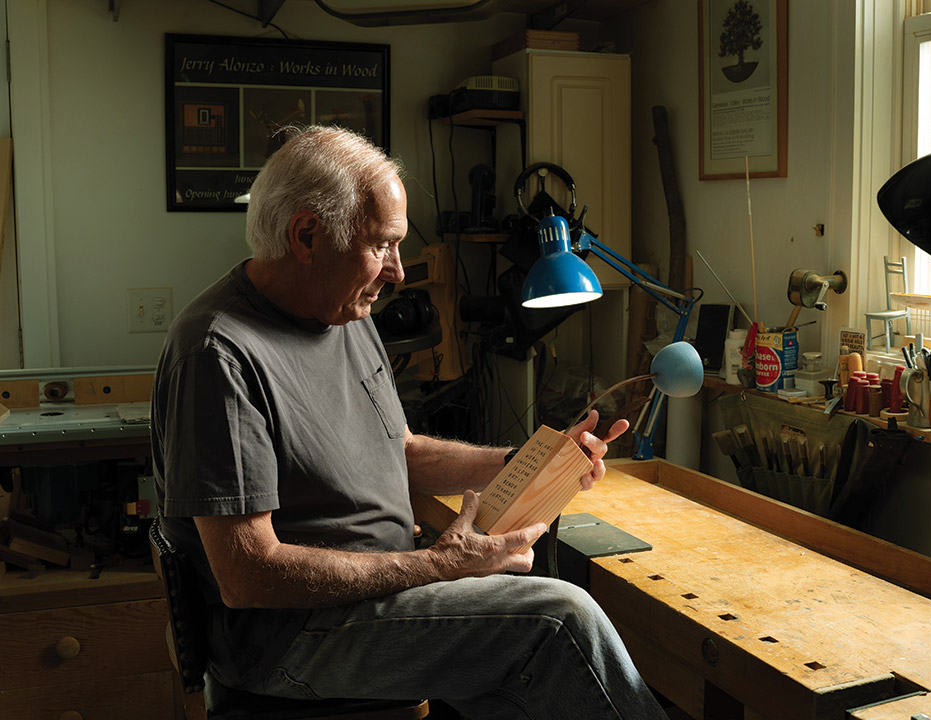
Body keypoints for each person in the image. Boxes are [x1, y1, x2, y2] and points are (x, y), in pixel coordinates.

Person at [151, 125, 668, 719]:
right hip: (289, 638)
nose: (397, 271)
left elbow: (396, 450)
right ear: (306, 235)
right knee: (559, 624)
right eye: (382, 245)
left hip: (383, 591)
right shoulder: (218, 353)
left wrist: (532, 459)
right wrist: (441, 566)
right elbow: (248, 574)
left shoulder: (346, 311)